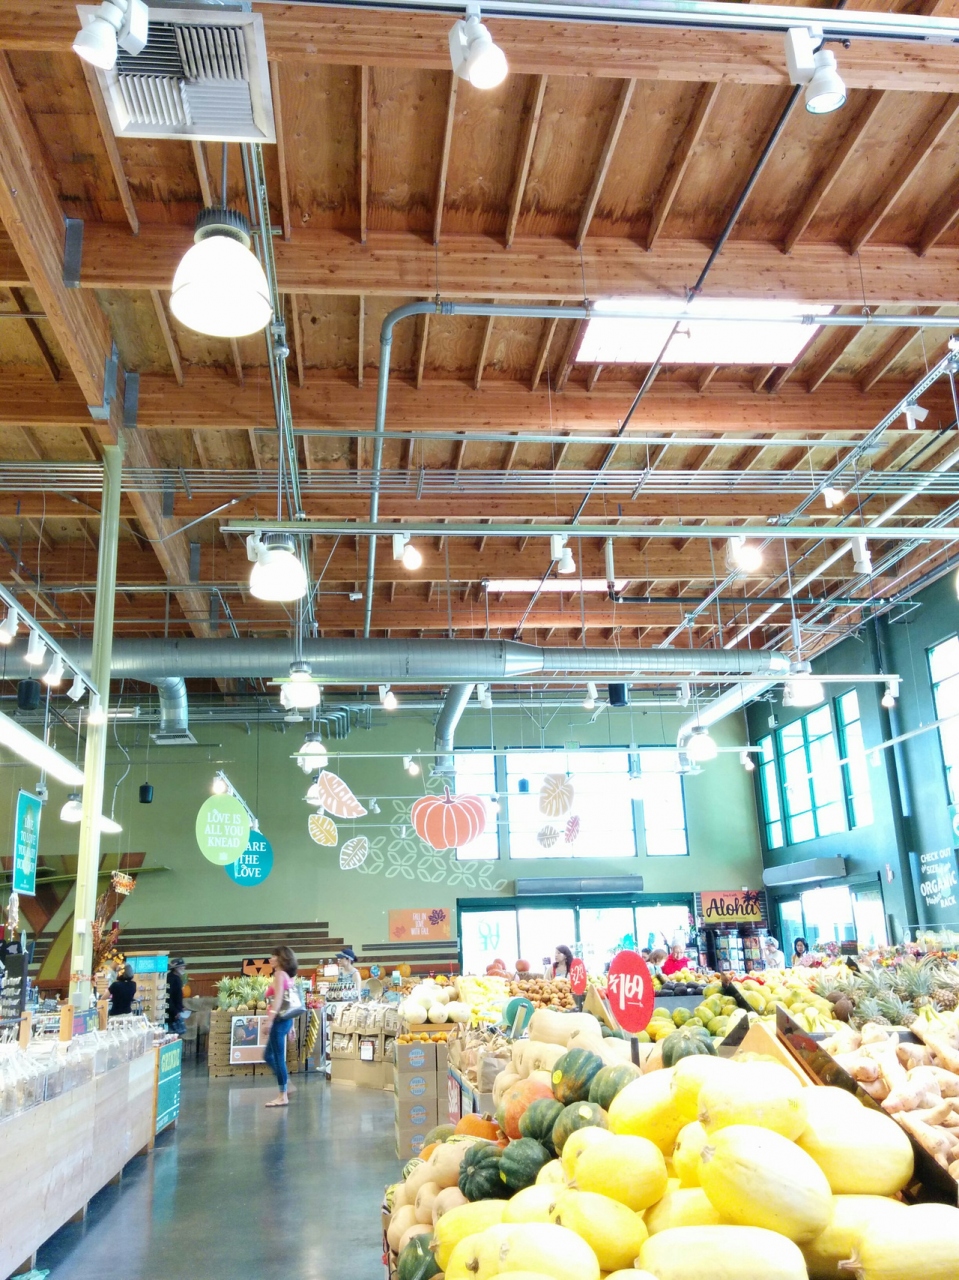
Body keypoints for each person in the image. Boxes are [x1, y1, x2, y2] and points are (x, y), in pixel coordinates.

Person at [264, 945, 299, 1108]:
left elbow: (278, 1000)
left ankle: (282, 1094)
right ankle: (286, 1084)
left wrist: (269, 1021)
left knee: (277, 1057)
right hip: (286, 1020)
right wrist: (292, 1026)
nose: (271, 959)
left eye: (274, 956)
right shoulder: (288, 976)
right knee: (269, 1055)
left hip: (278, 1021)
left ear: (282, 958)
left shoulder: (279, 975)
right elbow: (290, 1002)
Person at [166, 957, 186, 1034]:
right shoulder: (172, 979)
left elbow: (177, 996)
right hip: (171, 1013)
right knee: (175, 1033)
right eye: (181, 966)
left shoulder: (175, 978)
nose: (183, 967)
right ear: (175, 968)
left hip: (174, 1010)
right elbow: (168, 997)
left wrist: (181, 1007)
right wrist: (175, 1011)